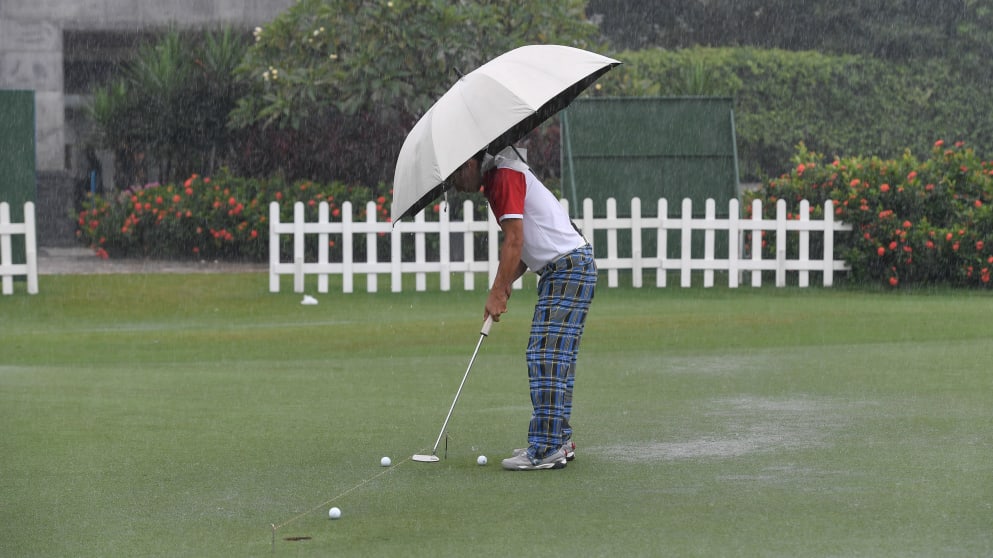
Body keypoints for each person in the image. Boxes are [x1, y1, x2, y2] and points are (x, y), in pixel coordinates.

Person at [448, 147, 597, 471]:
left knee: (545, 355)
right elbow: (526, 245)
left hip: (566, 270)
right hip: (571, 267)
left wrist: (497, 290)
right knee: (557, 358)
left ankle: (545, 448)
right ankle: (557, 440)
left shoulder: (503, 177)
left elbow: (514, 240)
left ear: (470, 163)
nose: (456, 186)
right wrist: (505, 283)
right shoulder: (502, 175)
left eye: (456, 175)